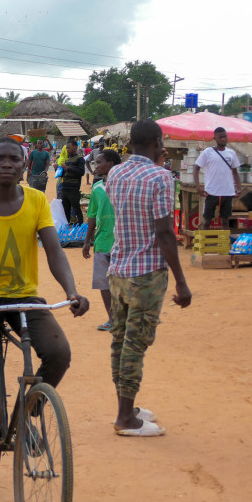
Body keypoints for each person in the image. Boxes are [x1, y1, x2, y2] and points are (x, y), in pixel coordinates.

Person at [0, 137, 89, 477]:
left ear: (25, 165)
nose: (7, 164)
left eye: (14, 159)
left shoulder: (37, 200)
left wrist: (71, 290)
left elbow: (54, 250)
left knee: (59, 353)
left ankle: (26, 417)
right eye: (0, 158)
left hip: (24, 296)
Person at [105, 119, 192, 437]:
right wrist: (181, 281)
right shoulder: (160, 176)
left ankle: (125, 407)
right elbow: (165, 232)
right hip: (146, 272)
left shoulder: (115, 172)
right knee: (135, 344)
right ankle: (125, 418)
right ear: (157, 142)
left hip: (119, 269)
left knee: (120, 341)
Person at [82, 150, 122, 332]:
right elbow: (91, 215)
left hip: (122, 242)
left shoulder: (124, 186)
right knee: (103, 284)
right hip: (102, 241)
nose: (96, 166)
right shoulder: (97, 188)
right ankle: (112, 319)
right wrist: (86, 241)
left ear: (111, 164)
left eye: (100, 162)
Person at [194, 127, 243, 230]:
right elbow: (196, 168)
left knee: (225, 221)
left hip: (227, 193)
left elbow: (235, 173)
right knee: (207, 221)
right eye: (220, 137)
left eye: (225, 136)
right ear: (214, 138)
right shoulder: (208, 152)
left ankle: (224, 244)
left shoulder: (231, 153)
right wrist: (198, 187)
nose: (223, 139)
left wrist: (239, 188)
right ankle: (204, 244)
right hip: (211, 192)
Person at [60, 140, 86, 225]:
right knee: (65, 210)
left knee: (76, 208)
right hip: (65, 188)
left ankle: (81, 226)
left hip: (73, 188)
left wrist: (68, 168)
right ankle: (67, 227)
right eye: (66, 148)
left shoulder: (80, 159)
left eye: (69, 148)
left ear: (75, 147)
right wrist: (59, 170)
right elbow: (64, 173)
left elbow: (81, 172)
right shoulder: (68, 159)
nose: (67, 149)